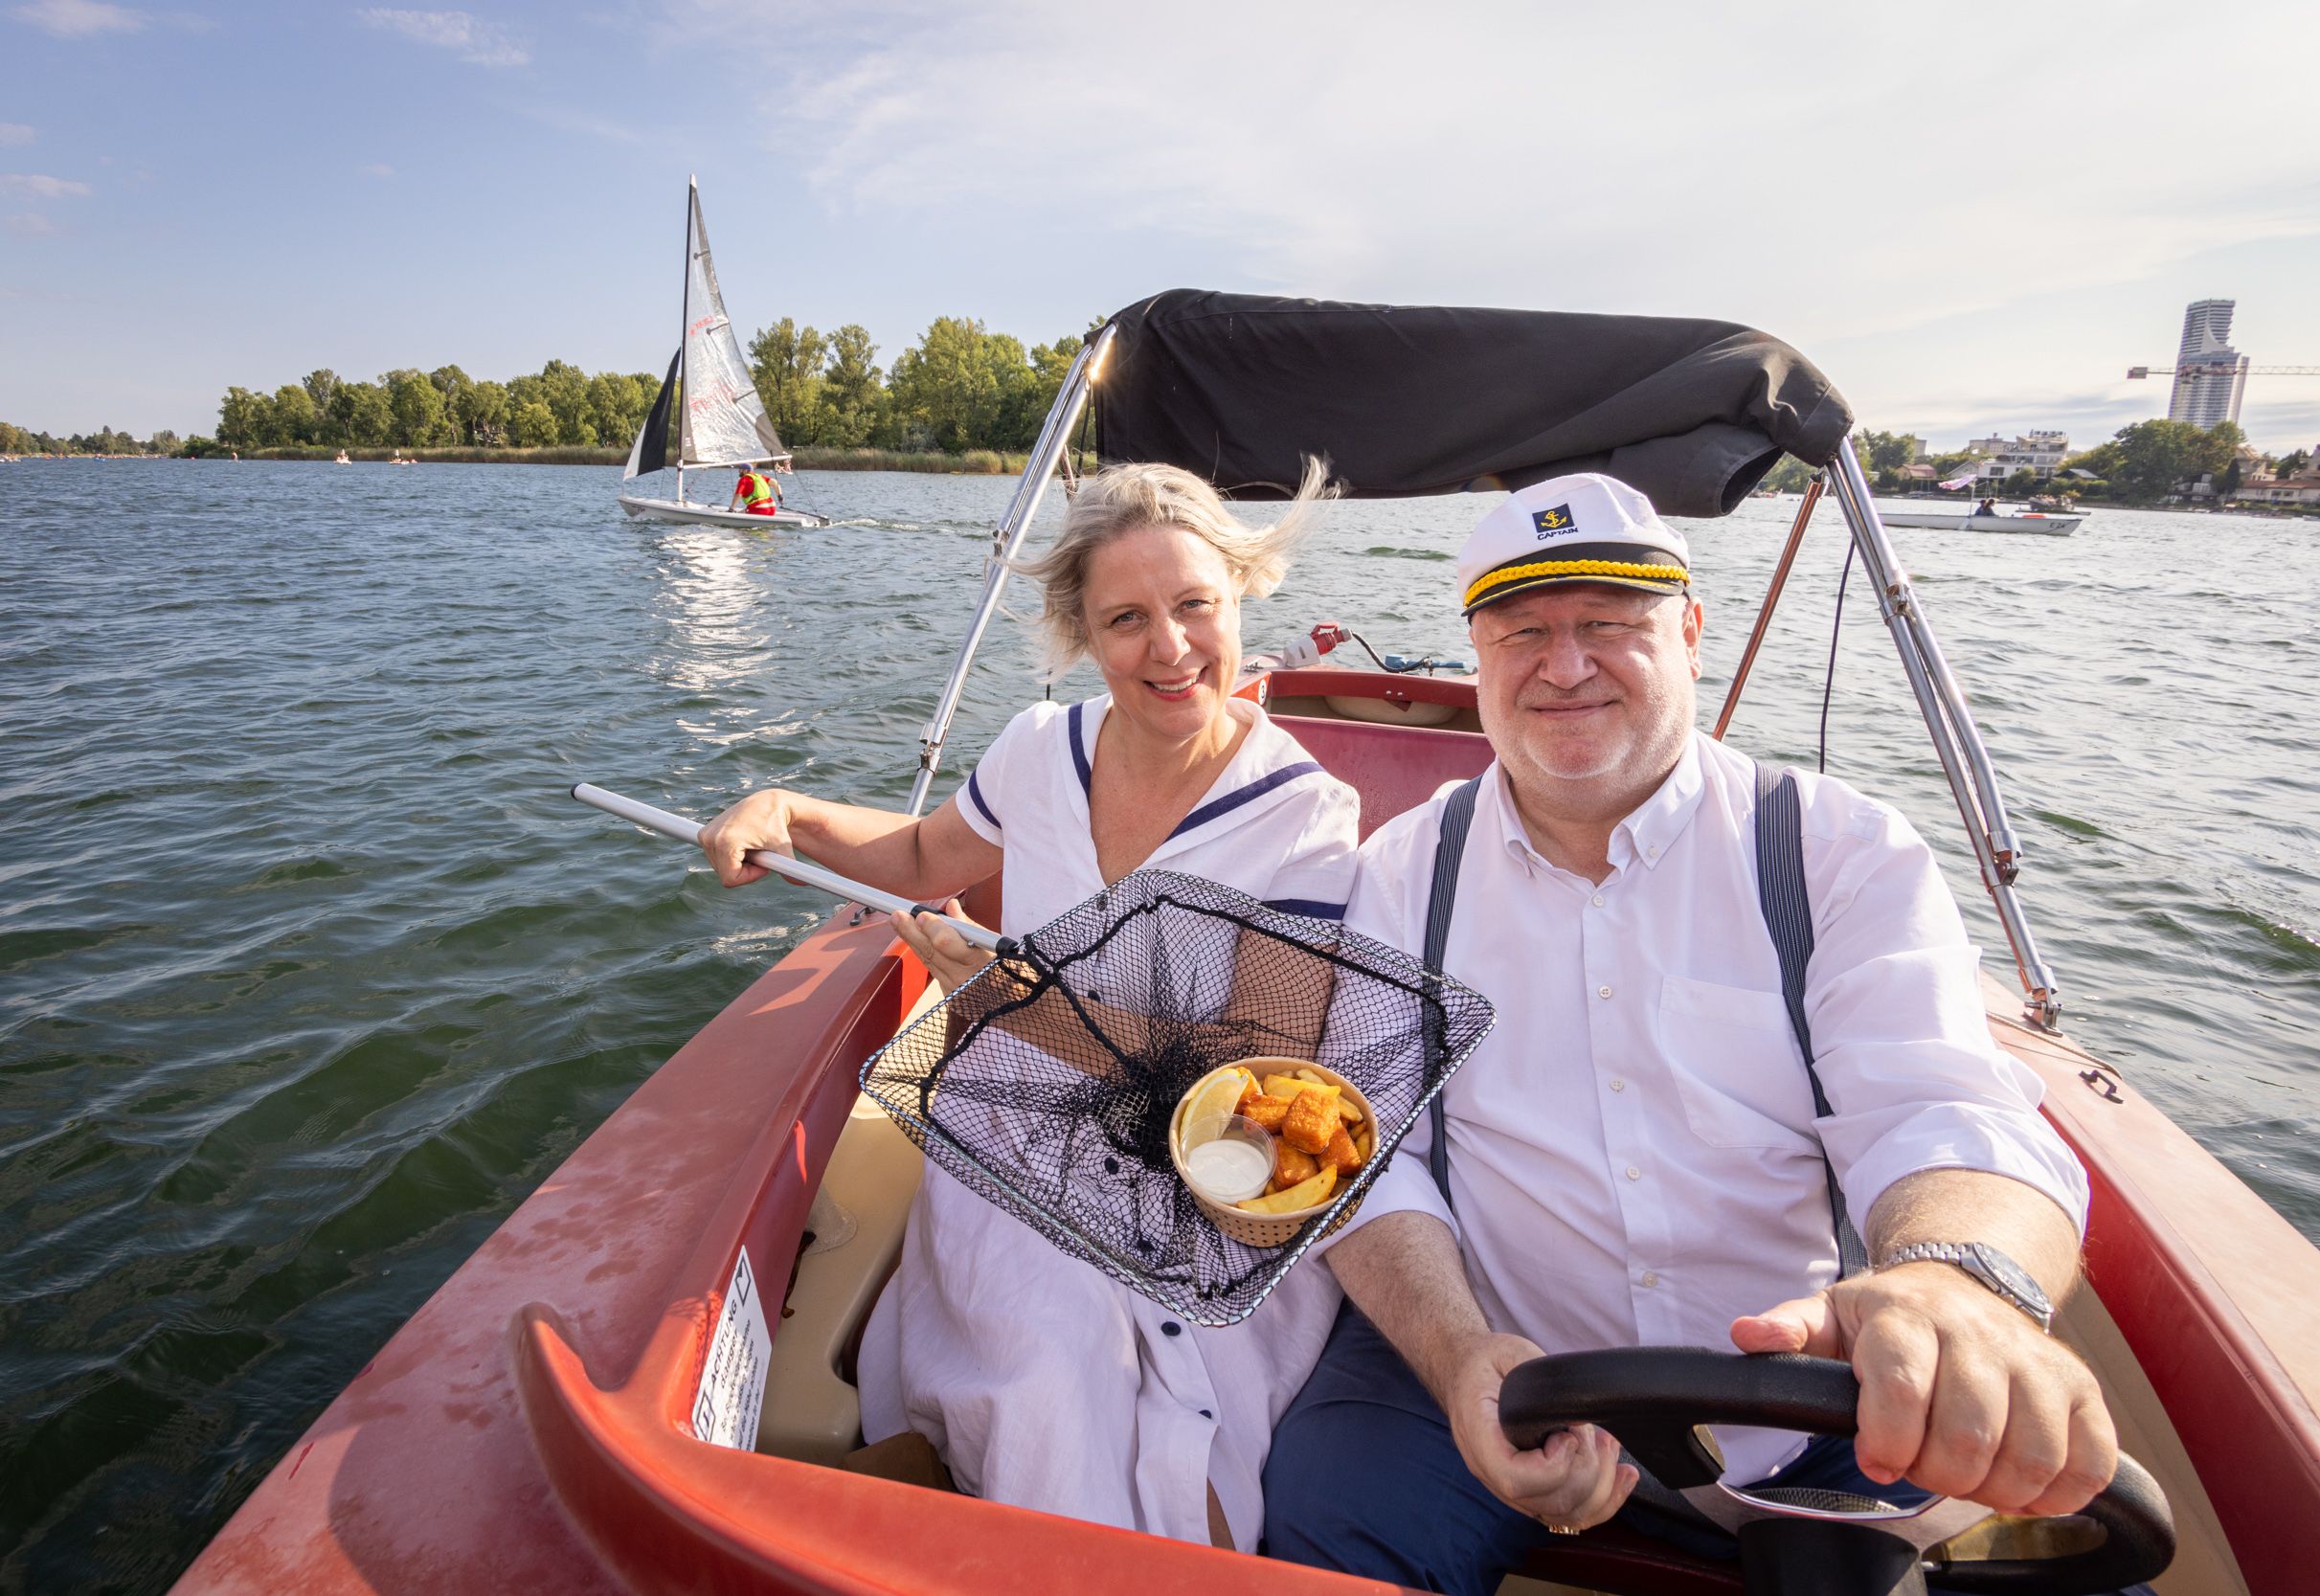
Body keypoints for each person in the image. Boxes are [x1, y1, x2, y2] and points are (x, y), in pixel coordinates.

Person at [1262, 473, 2123, 1595]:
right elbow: (1369, 1156)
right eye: (1520, 631)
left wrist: (1948, 1281)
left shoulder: (1835, 850)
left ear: (1691, 633)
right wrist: (1457, 1349)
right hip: (1487, 1359)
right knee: (1320, 1527)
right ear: (1477, 656)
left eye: (1609, 625)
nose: (1563, 665)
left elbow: (1939, 1110)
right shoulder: (1404, 871)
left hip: (1818, 1400)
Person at [697, 461, 1357, 1553]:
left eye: (1197, 604)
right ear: (1081, 632)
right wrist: (793, 808)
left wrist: (1013, 1002)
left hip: (1213, 1174)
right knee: (1044, 1371)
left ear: (1242, 594)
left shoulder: (1306, 816)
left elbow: (1260, 1070)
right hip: (1014, 1131)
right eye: (1127, 618)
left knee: (1149, 1417)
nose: (1172, 645)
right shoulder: (1041, 747)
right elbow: (918, 853)